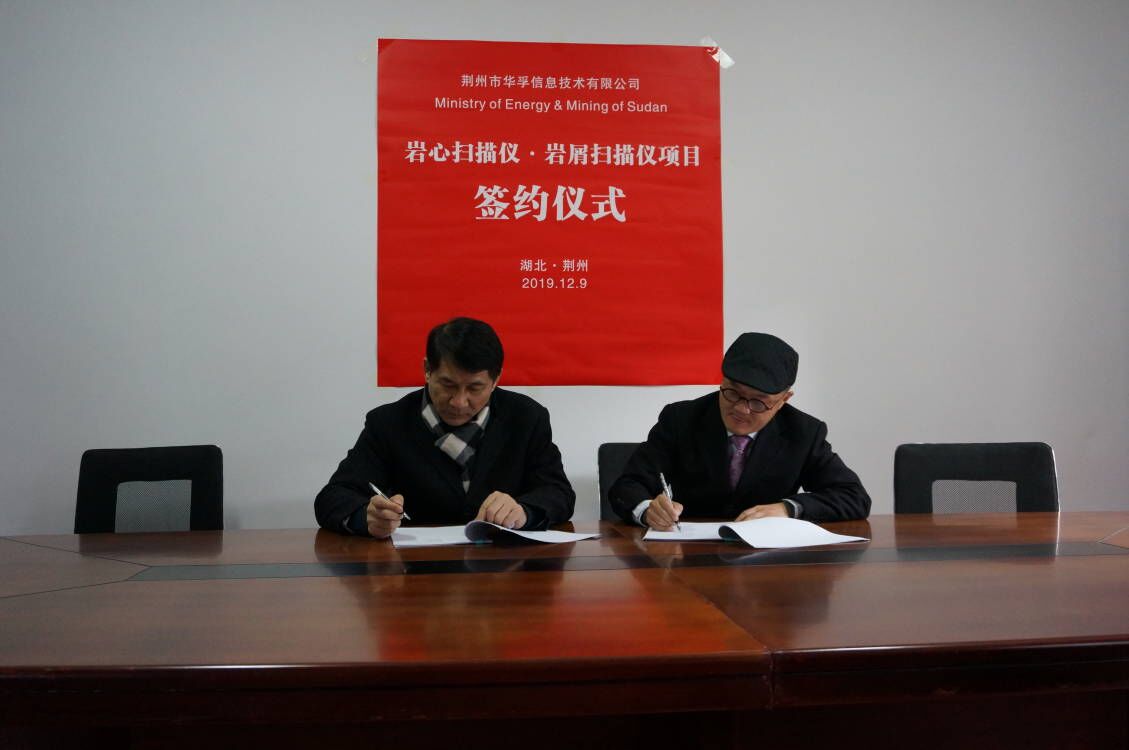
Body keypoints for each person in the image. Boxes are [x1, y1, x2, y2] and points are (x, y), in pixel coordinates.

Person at [315, 317, 575, 538]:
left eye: (475, 388)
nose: (459, 402)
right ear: (427, 370)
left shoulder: (526, 418)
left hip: (505, 568)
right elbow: (333, 497)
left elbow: (559, 493)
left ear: (496, 380)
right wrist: (366, 517)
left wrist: (524, 511)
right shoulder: (388, 423)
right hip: (415, 571)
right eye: (448, 385)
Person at [610, 332, 870, 529]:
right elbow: (627, 486)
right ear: (721, 381)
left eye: (758, 402)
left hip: (769, 564)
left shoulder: (804, 432)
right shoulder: (681, 419)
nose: (741, 409)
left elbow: (854, 497)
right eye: (733, 393)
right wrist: (648, 510)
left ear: (783, 400)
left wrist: (789, 509)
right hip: (688, 555)